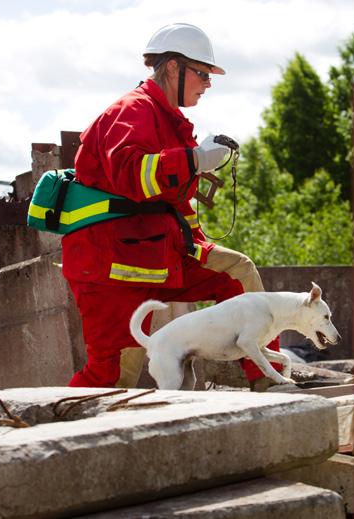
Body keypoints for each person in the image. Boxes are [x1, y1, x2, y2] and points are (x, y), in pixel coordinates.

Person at [62, 22, 281, 391]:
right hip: (111, 268)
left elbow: (171, 203)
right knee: (112, 378)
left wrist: (196, 240)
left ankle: (268, 380)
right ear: (173, 68)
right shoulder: (131, 111)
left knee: (238, 273)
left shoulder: (166, 118)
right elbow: (132, 175)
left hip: (157, 254)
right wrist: (193, 159)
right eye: (202, 73)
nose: (208, 83)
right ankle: (51, 437)